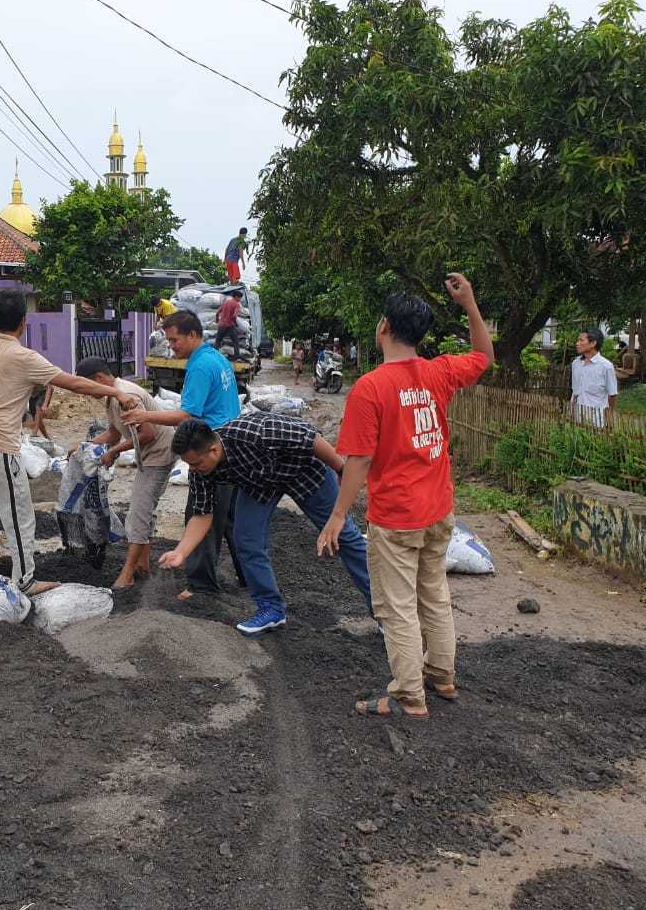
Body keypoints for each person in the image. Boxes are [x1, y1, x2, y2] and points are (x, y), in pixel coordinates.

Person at [319, 274, 493, 720]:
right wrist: (470, 303)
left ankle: (408, 696)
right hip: (438, 511)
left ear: (383, 328)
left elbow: (357, 461)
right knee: (433, 593)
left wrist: (338, 515)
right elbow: (484, 356)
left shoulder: (371, 388)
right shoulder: (437, 372)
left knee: (397, 607)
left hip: (397, 517)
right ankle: (442, 676)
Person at [0, 295, 136, 596]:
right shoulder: (24, 357)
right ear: (24, 323)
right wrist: (113, 392)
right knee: (20, 514)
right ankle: (24, 579)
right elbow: (73, 383)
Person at [161, 414, 371, 635]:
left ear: (213, 450)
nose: (192, 470)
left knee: (345, 537)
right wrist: (181, 552)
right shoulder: (200, 471)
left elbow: (310, 438)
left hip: (305, 471)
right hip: (260, 484)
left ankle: (384, 611)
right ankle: (271, 609)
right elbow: (202, 515)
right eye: (189, 465)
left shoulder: (255, 432)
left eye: (196, 463)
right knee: (246, 540)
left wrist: (340, 469)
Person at [121, 310, 244, 600]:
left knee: (200, 516)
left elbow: (188, 414)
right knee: (229, 520)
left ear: (192, 335)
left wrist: (144, 413)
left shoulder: (200, 366)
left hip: (210, 450)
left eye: (175, 340)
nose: (171, 346)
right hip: (229, 445)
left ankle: (201, 586)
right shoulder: (216, 357)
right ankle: (247, 575)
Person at [76, 356, 177, 589]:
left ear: (99, 379)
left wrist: (114, 452)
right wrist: (86, 445)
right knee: (144, 509)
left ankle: (128, 574)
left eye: (89, 387)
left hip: (159, 454)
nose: (89, 393)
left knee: (138, 513)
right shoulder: (113, 396)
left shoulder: (127, 396)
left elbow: (147, 434)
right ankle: (143, 567)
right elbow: (114, 432)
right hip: (149, 455)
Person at [571, 328, 618, 427]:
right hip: (577, 419)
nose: (577, 343)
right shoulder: (576, 363)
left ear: (593, 343)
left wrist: (609, 418)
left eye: (581, 340)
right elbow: (575, 392)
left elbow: (612, 395)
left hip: (597, 422)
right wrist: (571, 412)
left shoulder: (606, 366)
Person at [215, 290, 243, 359]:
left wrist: (217, 320)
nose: (240, 299)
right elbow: (234, 316)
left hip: (221, 325)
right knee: (235, 341)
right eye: (239, 298)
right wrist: (235, 324)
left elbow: (217, 312)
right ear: (236, 297)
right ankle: (236, 357)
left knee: (217, 342)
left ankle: (214, 356)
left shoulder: (225, 302)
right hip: (230, 325)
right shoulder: (237, 304)